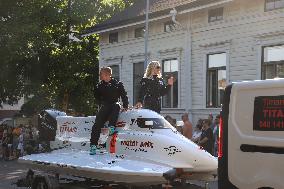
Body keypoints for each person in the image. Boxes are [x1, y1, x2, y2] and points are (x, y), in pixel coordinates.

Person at [90, 67, 129, 155]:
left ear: (107, 75)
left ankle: (111, 127)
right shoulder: (100, 85)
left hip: (115, 106)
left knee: (116, 105)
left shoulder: (118, 84)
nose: (100, 75)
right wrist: (100, 102)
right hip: (105, 107)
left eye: (101, 74)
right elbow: (97, 97)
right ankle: (93, 146)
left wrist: (125, 106)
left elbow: (124, 96)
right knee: (96, 125)